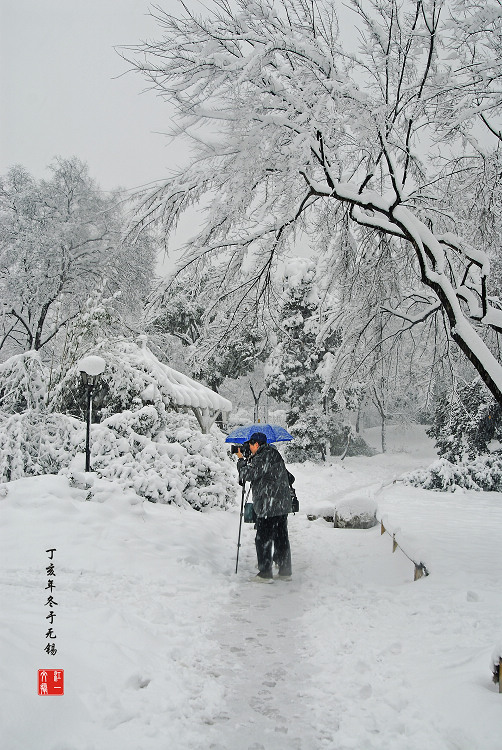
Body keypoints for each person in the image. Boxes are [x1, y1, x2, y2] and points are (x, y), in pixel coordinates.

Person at [236, 432, 294, 583]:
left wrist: (241, 460)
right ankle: (284, 571)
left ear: (256, 444)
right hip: (281, 504)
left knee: (263, 538)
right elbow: (290, 477)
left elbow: (247, 474)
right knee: (281, 537)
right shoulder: (274, 454)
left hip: (269, 504)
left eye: (249, 444)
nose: (248, 447)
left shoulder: (262, 457)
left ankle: (265, 573)